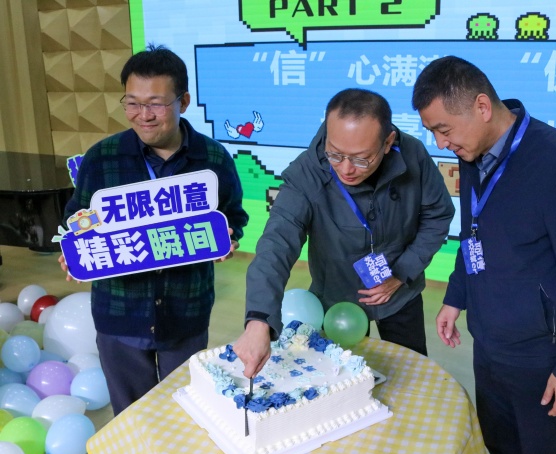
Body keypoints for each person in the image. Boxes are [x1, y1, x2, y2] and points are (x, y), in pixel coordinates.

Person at [411, 56, 556, 454]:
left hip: (543, 358)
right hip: (489, 347)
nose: (440, 143)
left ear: (482, 107)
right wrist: (456, 296)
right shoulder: (474, 154)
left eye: (444, 129)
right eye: (432, 132)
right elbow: (473, 233)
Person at [58, 45, 249, 416]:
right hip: (119, 312)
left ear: (184, 102)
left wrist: (227, 237)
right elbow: (75, 219)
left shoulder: (212, 159)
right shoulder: (102, 158)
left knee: (185, 413)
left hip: (186, 309)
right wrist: (74, 248)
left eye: (156, 104)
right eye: (132, 103)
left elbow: (233, 215)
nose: (143, 116)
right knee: (132, 417)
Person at [234, 88, 455, 377]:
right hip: (336, 297)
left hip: (399, 291)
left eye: (362, 159)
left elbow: (438, 215)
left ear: (388, 142)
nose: (347, 169)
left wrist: (402, 272)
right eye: (335, 155)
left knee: (410, 373)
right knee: (339, 380)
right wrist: (259, 320)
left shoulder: (412, 154)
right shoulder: (307, 173)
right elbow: (276, 244)